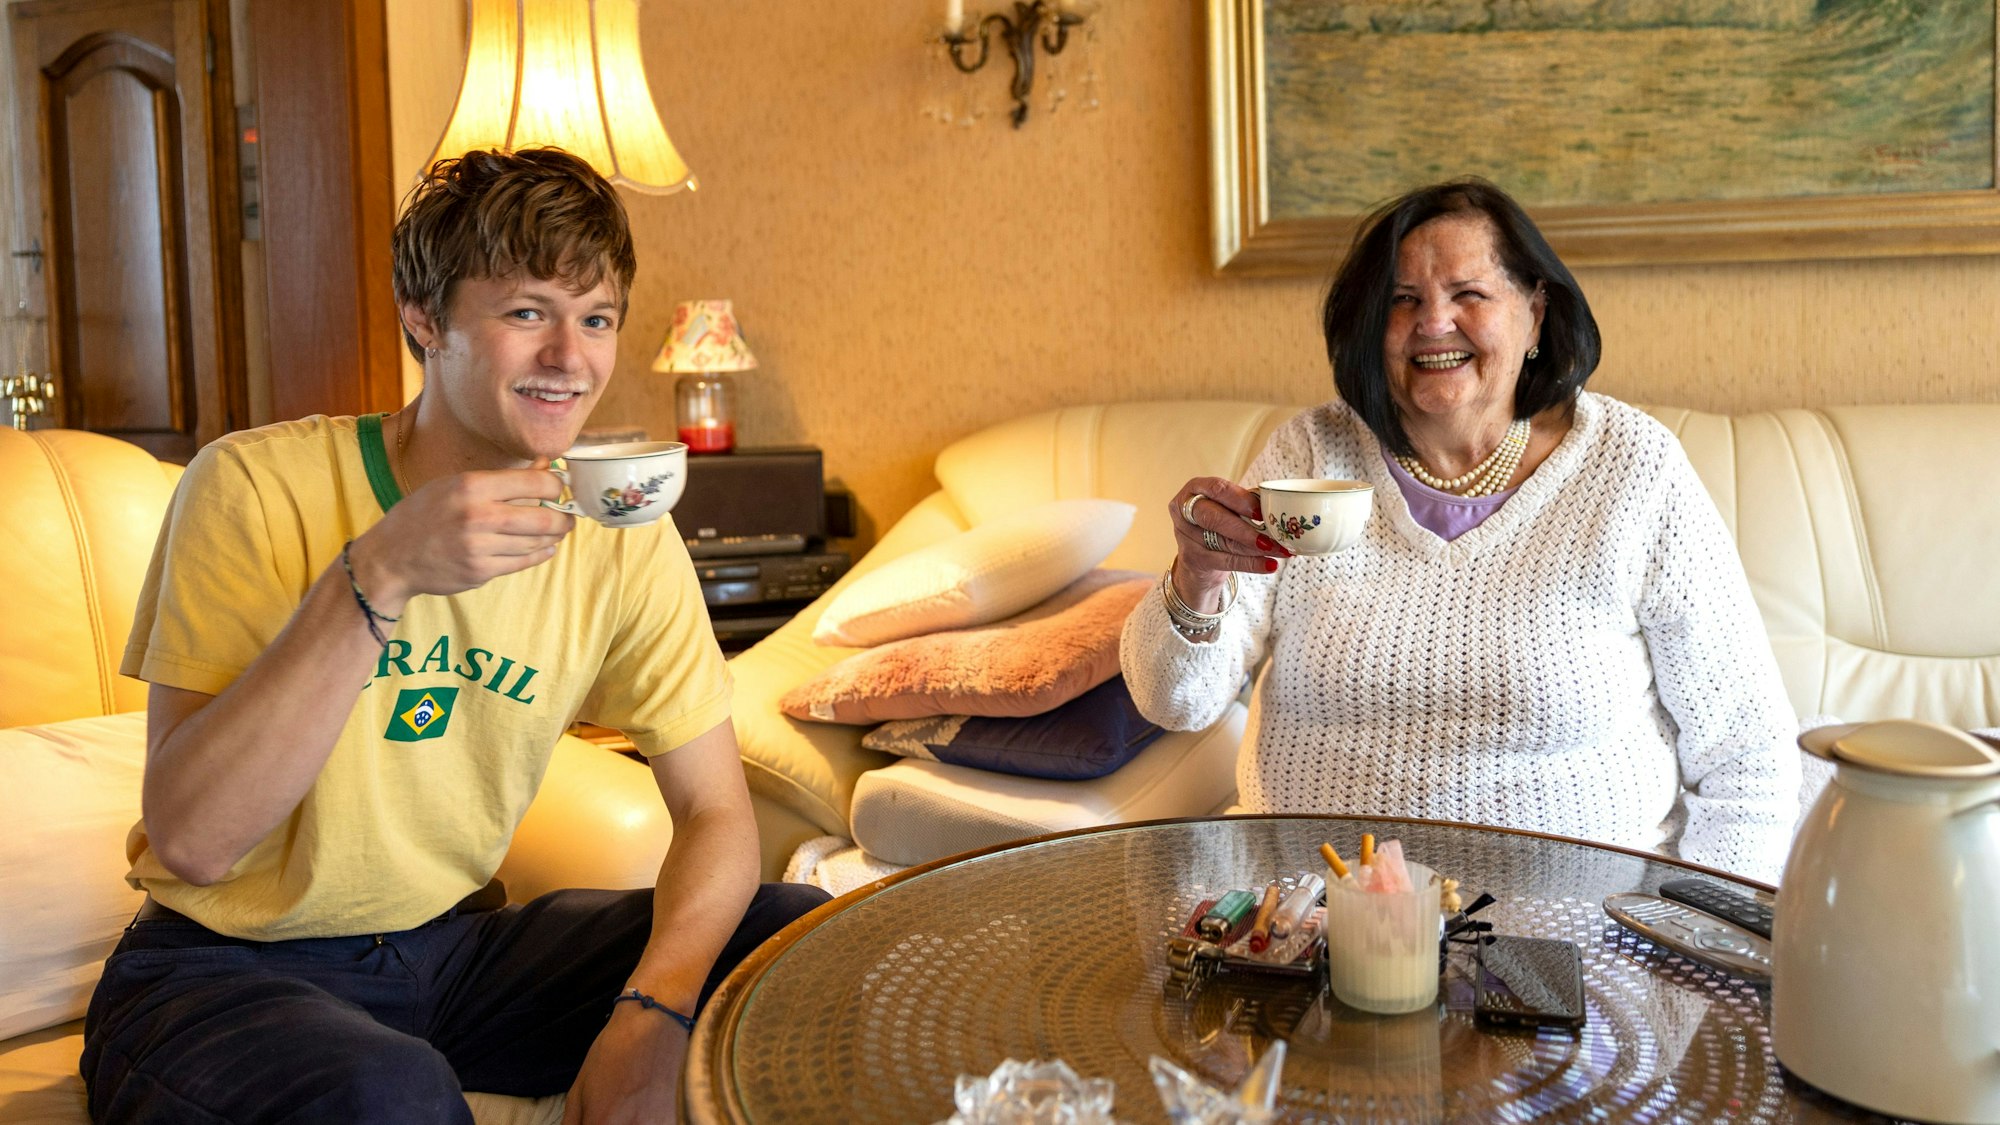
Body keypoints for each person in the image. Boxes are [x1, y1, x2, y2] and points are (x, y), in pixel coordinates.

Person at [81, 147, 829, 1124]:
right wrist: (378, 574)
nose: (570, 357)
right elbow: (192, 840)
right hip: (222, 972)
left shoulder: (616, 534)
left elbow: (717, 813)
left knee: (803, 941)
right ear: (424, 319)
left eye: (595, 318)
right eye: (527, 313)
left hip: (454, 952)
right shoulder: (254, 487)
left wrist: (653, 1012)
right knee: (389, 1090)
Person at [1121, 179, 1799, 883]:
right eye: (1402, 300)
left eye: (1468, 294)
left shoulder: (1631, 467)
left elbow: (1747, 753)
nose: (1433, 322)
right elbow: (1175, 702)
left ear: (1535, 315)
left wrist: (1693, 933)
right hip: (1313, 918)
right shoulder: (1310, 457)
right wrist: (1196, 578)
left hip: (1575, 931)